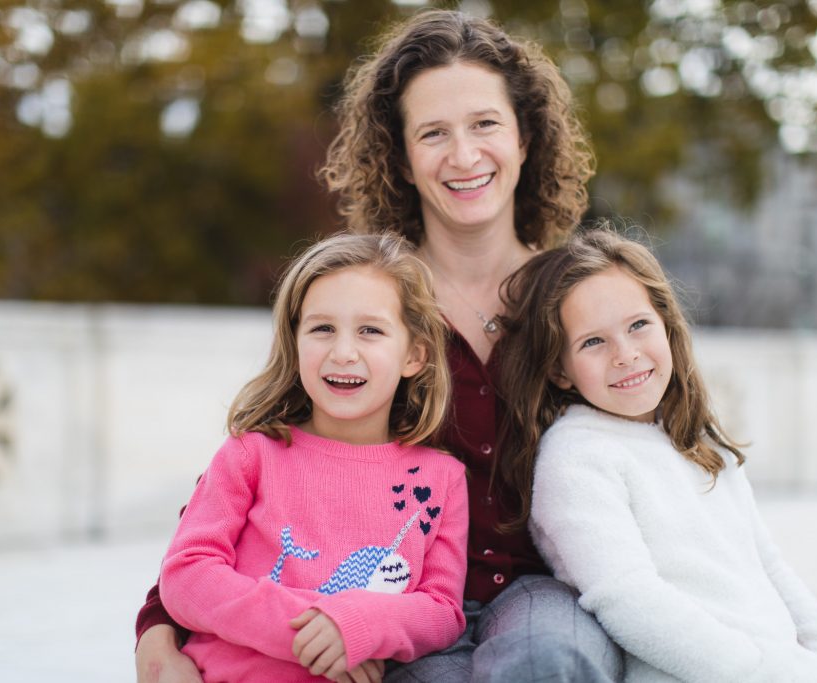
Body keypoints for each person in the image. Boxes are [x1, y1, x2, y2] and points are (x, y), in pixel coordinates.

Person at [136, 9, 623, 683]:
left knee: (546, 660)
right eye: (432, 133)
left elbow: (675, 452)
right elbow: (262, 466)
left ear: (525, 135)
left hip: (542, 601)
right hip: (395, 608)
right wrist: (158, 623)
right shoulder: (365, 307)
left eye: (485, 123)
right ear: (400, 155)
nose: (463, 155)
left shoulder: (583, 303)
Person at [497, 227, 817, 683]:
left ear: (667, 325)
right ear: (559, 369)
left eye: (638, 326)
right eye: (593, 342)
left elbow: (768, 564)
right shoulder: (575, 457)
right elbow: (627, 598)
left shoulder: (698, 440)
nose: (626, 354)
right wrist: (767, 672)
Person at [157, 231, 469, 683]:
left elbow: (442, 612)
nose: (343, 352)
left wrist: (361, 626)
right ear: (295, 340)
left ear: (414, 355)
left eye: (371, 331)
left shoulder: (441, 478)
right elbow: (187, 577)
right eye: (322, 328)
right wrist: (316, 628)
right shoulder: (251, 454)